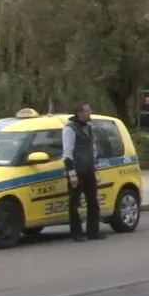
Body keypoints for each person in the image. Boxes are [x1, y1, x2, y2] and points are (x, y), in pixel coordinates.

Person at [61, 102, 104, 242]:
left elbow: (93, 149)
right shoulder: (70, 129)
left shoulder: (89, 127)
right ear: (79, 113)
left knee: (93, 201)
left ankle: (93, 231)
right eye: (87, 110)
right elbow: (67, 153)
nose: (90, 112)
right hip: (77, 170)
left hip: (89, 169)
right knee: (74, 202)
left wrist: (96, 167)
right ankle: (77, 233)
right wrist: (71, 173)